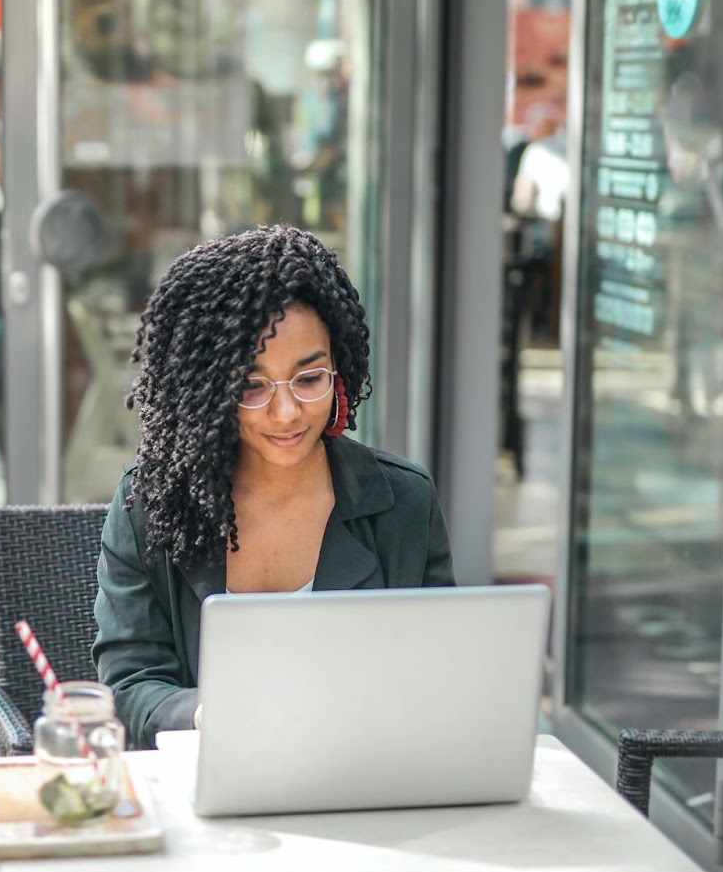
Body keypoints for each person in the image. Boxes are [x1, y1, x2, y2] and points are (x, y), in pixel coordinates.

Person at [91, 226, 456, 748]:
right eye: (251, 386)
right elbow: (129, 686)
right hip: (207, 787)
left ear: (340, 372)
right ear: (208, 390)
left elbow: (439, 677)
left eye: (309, 380)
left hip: (368, 779)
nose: (286, 414)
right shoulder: (150, 506)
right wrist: (203, 712)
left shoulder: (404, 504)